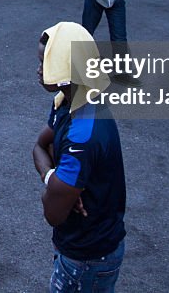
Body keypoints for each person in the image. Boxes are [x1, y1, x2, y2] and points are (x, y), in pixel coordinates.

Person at [32, 22, 125, 292]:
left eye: (45, 62)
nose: (38, 70)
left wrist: (57, 188)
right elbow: (39, 146)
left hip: (87, 259)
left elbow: (53, 212)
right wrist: (56, 180)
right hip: (87, 248)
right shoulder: (71, 100)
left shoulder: (82, 134)